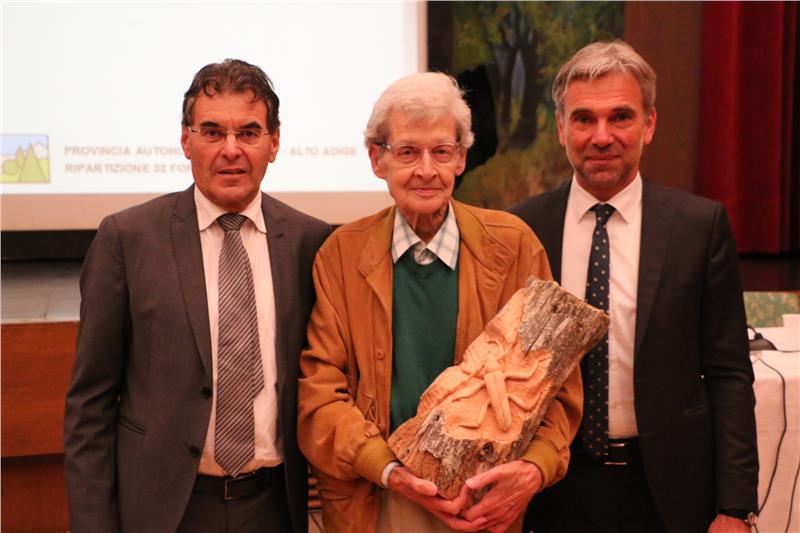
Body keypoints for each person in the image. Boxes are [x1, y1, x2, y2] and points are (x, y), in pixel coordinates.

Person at [297, 72, 582, 533]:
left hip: (485, 504)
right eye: (408, 152)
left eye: (441, 152)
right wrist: (388, 469)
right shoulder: (341, 256)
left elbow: (557, 384)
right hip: (378, 500)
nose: (426, 170)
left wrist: (534, 468)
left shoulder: (514, 246)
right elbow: (319, 395)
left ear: (461, 159)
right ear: (377, 159)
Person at [64, 59, 331, 533]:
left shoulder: (311, 242)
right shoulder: (127, 238)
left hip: (274, 509)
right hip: (163, 512)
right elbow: (91, 403)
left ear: (274, 143)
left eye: (248, 132)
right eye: (212, 132)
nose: (231, 149)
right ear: (186, 141)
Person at [509, 40, 758, 533]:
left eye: (620, 117)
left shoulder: (698, 227)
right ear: (561, 128)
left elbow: (729, 374)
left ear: (649, 124)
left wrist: (734, 506)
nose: (602, 136)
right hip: (553, 490)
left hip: (669, 493)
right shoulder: (522, 229)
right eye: (584, 119)